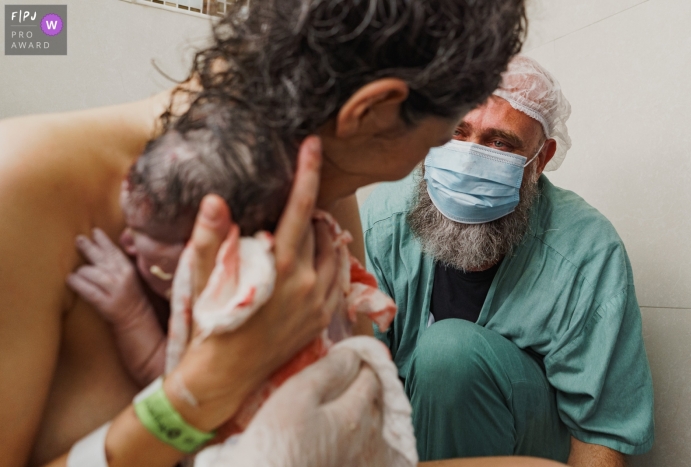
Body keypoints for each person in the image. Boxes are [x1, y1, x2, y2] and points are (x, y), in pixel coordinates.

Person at [0, 0, 563, 466]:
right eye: (446, 134)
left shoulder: (320, 183)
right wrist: (204, 390)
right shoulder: (25, 182)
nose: (439, 160)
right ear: (373, 112)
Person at [361, 55, 655, 466]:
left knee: (449, 354)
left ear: (542, 159)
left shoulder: (586, 249)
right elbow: (352, 367)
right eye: (455, 132)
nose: (467, 159)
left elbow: (602, 432)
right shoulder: (385, 219)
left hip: (527, 441)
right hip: (408, 429)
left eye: (500, 143)